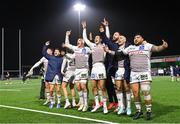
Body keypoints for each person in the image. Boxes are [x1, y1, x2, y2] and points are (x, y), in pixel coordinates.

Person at [106, 34, 168, 120]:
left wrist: (163, 46)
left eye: (138, 37)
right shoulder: (130, 48)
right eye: (134, 37)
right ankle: (139, 111)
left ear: (142, 39)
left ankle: (149, 111)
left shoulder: (147, 45)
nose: (136, 39)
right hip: (133, 73)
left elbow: (157, 48)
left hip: (144, 72)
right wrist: (108, 51)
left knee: (145, 91)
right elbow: (118, 53)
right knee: (135, 93)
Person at [82, 21, 108, 114]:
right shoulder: (92, 46)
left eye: (98, 38)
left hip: (101, 66)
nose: (96, 39)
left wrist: (106, 27)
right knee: (93, 88)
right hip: (94, 68)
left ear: (100, 39)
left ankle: (105, 106)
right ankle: (97, 104)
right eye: (95, 38)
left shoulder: (104, 45)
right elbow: (85, 39)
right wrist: (84, 28)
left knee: (102, 87)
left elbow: (107, 37)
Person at [64, 31, 91, 112]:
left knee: (83, 86)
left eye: (79, 41)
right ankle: (82, 102)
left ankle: (85, 104)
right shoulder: (76, 49)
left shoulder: (86, 49)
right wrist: (67, 35)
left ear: (83, 42)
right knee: (78, 87)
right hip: (77, 70)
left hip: (84, 69)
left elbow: (93, 50)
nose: (78, 42)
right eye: (77, 41)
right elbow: (67, 44)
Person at [42, 41, 63, 109]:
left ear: (59, 52)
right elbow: (44, 53)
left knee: (58, 90)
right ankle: (52, 101)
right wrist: (46, 45)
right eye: (55, 51)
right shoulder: (50, 57)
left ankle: (59, 102)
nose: (55, 52)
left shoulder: (61, 59)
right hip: (52, 76)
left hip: (58, 76)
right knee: (51, 90)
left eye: (57, 51)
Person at [61, 39, 77, 109]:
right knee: (72, 87)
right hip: (75, 71)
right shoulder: (75, 54)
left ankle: (67, 102)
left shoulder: (67, 55)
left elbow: (64, 62)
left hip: (69, 71)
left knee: (63, 86)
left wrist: (61, 71)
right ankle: (73, 102)